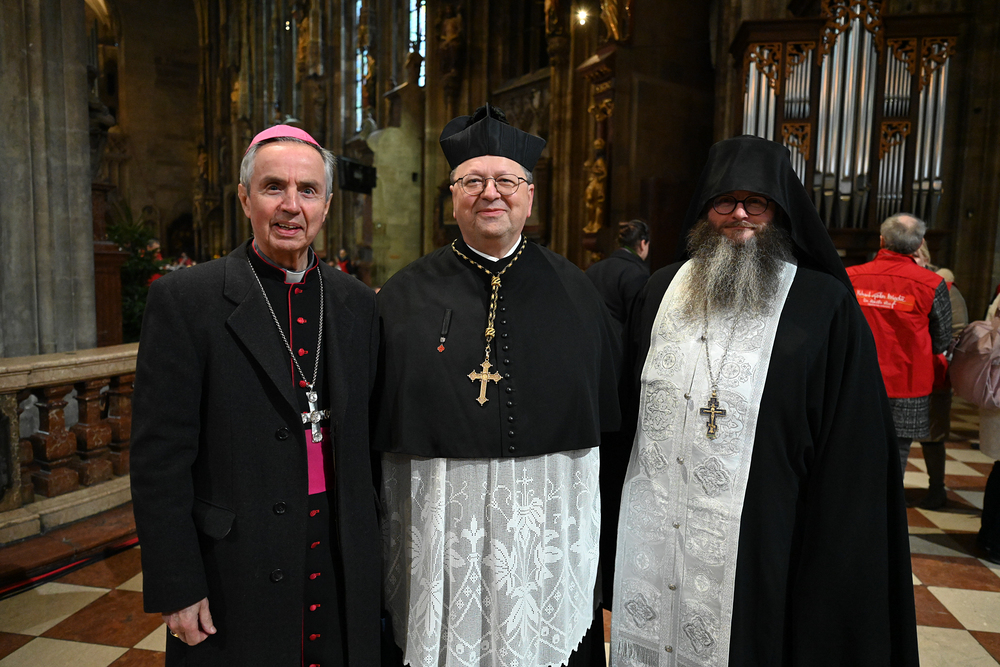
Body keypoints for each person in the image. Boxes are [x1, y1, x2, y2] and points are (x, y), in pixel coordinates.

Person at [611, 135, 918, 666]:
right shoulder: (660, 290)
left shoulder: (823, 305)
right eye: (724, 201)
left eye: (756, 202)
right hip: (655, 529)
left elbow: (853, 448)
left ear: (779, 212)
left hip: (765, 536)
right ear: (704, 211)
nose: (739, 215)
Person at [373, 104, 621, 667]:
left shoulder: (578, 294)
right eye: (473, 181)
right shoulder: (403, 296)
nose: (490, 193)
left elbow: (602, 433)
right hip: (444, 528)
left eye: (506, 181)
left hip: (542, 529)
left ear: (529, 195)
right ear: (452, 196)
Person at [130, 125, 381, 666]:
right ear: (245, 199)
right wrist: (177, 583)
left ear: (327, 205)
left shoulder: (358, 303)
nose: (291, 205)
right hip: (235, 561)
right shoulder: (187, 300)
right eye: (273, 187)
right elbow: (159, 459)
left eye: (308, 190)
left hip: (338, 550)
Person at [847, 213, 952, 476]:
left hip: (856, 381)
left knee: (851, 451)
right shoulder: (932, 283)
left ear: (881, 240)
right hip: (908, 384)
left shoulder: (850, 277)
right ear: (920, 244)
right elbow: (942, 339)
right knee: (897, 457)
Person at [911, 240, 969, 509]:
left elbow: (958, 331)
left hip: (933, 372)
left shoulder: (944, 287)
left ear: (925, 257)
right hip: (901, 371)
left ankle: (937, 489)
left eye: (916, 254)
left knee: (933, 435)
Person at [585, 219, 651, 333]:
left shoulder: (594, 269)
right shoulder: (638, 273)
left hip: (590, 336)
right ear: (643, 244)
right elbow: (637, 321)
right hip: (618, 340)